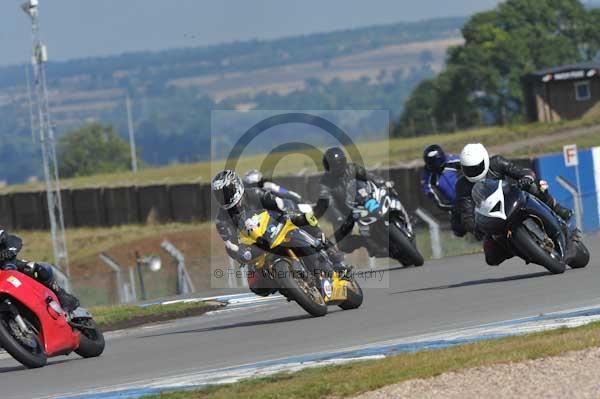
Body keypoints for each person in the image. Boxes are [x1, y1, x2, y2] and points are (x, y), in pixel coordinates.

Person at [212, 170, 348, 281]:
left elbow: (282, 200)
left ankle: (333, 255)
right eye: (220, 195)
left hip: (276, 222)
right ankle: (287, 285)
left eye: (227, 192)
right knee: (256, 285)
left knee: (307, 222)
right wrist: (239, 253)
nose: (225, 197)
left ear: (238, 186)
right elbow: (230, 243)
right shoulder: (221, 219)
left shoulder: (257, 193)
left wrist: (294, 209)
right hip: (255, 246)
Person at [452, 143, 573, 265]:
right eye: (469, 169)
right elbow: (466, 214)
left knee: (535, 187)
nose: (473, 172)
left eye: (476, 167)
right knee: (491, 258)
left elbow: (522, 171)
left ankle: (557, 209)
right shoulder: (462, 186)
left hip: (512, 199)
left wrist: (526, 177)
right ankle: (519, 248)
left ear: (485, 160)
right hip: (493, 216)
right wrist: (475, 229)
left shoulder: (497, 162)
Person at [313, 147, 392, 252]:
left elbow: (369, 176)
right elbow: (328, 202)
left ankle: (402, 219)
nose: (335, 167)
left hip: (365, 200)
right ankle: (366, 242)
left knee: (387, 199)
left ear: (343, 162)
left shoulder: (353, 168)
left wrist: (382, 183)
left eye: (337, 164)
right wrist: (338, 217)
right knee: (343, 245)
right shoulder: (325, 182)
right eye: (331, 165)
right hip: (344, 213)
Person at [0, 229, 80, 312]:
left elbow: (14, 240)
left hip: (9, 266)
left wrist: (10, 251)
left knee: (33, 268)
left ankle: (62, 295)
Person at [421, 144, 461, 211]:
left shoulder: (451, 161)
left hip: (471, 197)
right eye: (431, 162)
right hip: (454, 207)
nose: (435, 164)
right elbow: (428, 190)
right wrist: (442, 205)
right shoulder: (427, 175)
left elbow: (469, 162)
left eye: (436, 161)